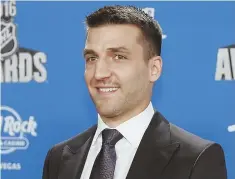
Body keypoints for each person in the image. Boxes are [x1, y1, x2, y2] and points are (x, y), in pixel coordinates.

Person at [42, 5, 227, 179]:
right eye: (92, 58)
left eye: (119, 57)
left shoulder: (196, 158)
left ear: (154, 68)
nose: (99, 73)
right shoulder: (58, 157)